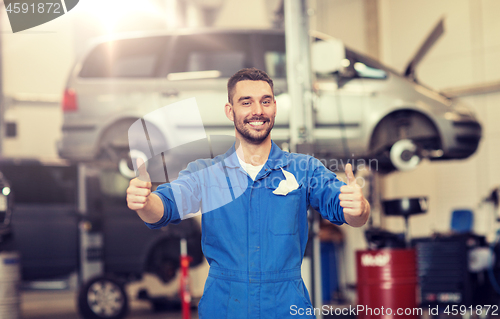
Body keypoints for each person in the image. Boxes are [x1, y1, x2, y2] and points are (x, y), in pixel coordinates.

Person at [126, 68, 370, 318]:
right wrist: (145, 202)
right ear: (230, 111)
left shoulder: (304, 169)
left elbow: (348, 211)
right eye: (246, 102)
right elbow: (164, 207)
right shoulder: (206, 173)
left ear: (275, 107)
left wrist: (359, 208)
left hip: (286, 305)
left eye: (265, 101)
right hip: (224, 306)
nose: (258, 111)